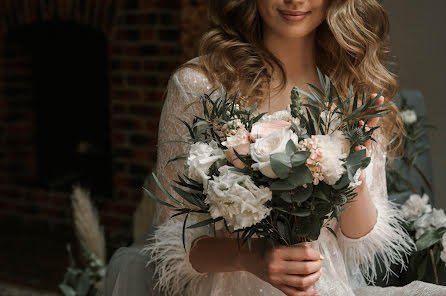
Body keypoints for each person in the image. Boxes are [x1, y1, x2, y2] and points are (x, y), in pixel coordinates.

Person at [105, 0, 446, 295]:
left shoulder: (352, 89)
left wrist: (351, 163)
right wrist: (252, 257)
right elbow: (173, 244)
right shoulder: (199, 85)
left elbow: (359, 237)